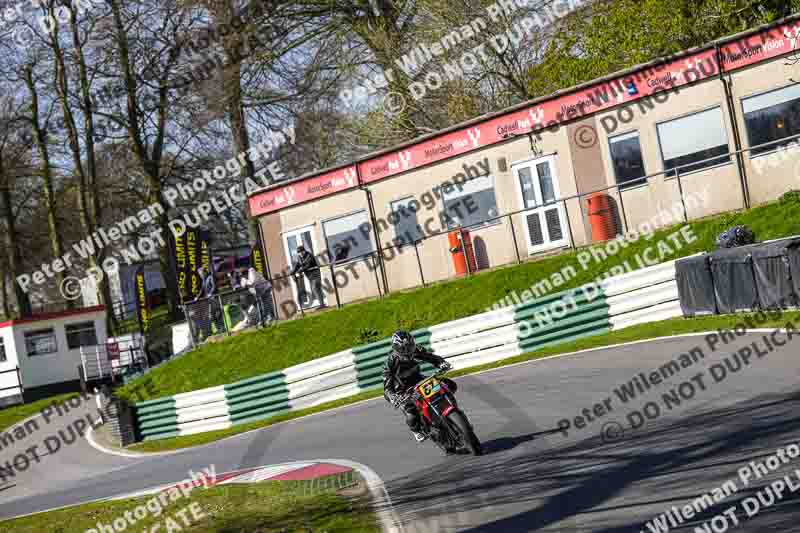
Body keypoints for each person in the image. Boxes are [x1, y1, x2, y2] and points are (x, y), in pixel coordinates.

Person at [382, 330, 454, 443]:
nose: (407, 351)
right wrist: (393, 396)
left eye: (409, 346)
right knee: (411, 413)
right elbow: (386, 387)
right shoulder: (391, 362)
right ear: (396, 348)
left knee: (449, 384)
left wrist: (441, 363)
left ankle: (450, 409)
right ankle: (416, 430)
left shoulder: (416, 350)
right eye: (403, 348)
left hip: (419, 380)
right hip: (403, 390)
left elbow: (431, 357)